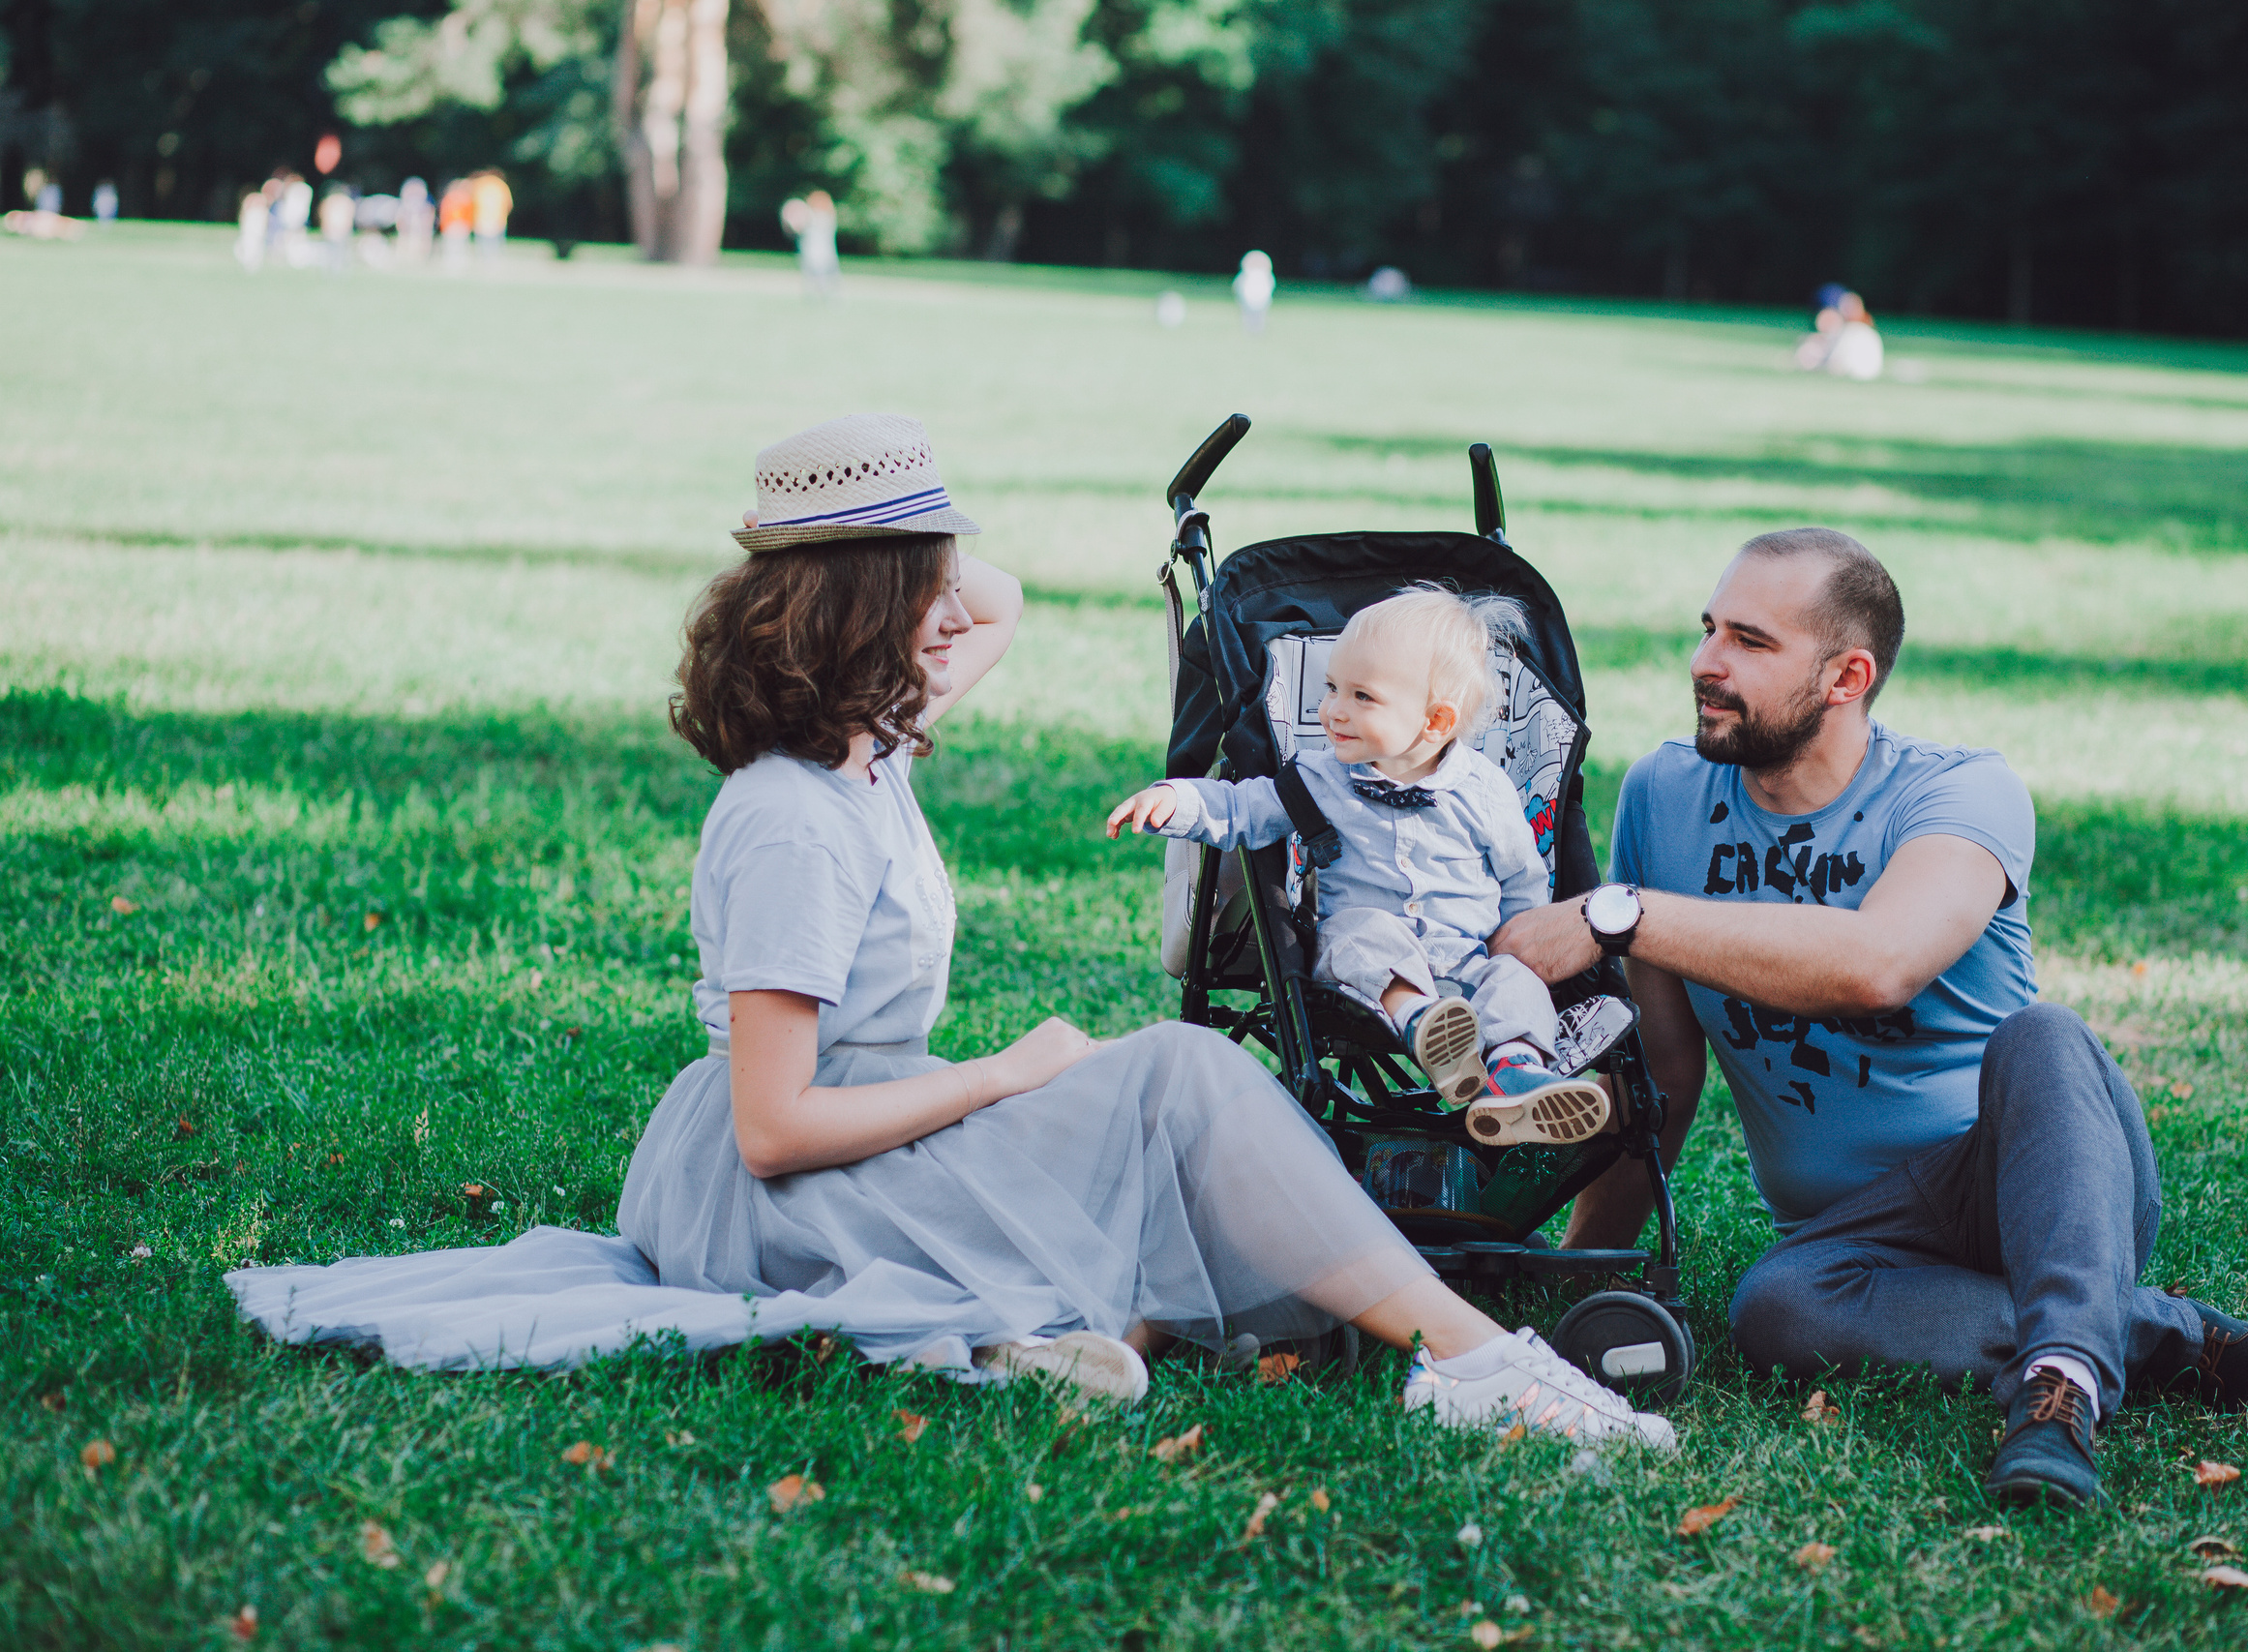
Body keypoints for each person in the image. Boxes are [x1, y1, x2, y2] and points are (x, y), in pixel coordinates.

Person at [225, 413, 1677, 1452]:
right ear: (866, 607)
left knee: (1174, 1121)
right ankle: (1477, 1357)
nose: (948, 604)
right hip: (781, 1181)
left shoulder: (873, 739)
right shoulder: (797, 815)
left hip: (866, 1128)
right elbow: (778, 1125)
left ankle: (1082, 1344)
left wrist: (892, 518)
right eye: (918, 578)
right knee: (1174, 1077)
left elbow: (1007, 600)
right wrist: (1005, 1070)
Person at [1489, 526, 2248, 1507]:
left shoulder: (1958, 790)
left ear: (1847, 676)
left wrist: (1619, 914)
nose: (1704, 662)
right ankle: (2157, 1332)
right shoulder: (1664, 796)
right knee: (1773, 1308)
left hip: (2031, 1184)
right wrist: (1579, 1264)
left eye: (1750, 642)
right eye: (1708, 628)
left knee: (2043, 1036)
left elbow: (1877, 967)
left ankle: (2057, 1398)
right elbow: (1667, 1074)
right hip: (1854, 1244)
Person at [1107, 585, 1610, 1147]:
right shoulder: (1319, 778)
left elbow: (1523, 879)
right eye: (1330, 688)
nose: (1333, 711)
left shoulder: (1485, 791)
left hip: (1470, 961)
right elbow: (1244, 807)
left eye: (1361, 697)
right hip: (1367, 975)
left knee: (1516, 983)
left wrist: (1522, 947)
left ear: (1436, 721)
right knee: (1363, 933)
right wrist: (1176, 800)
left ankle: (1516, 1074)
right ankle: (1425, 1024)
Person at [781, 191, 839, 295]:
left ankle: (822, 294)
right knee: (824, 277)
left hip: (816, 253)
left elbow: (799, 226)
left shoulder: (817, 218)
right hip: (821, 253)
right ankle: (825, 294)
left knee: (819, 277)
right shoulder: (826, 217)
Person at [470, 169, 512, 267]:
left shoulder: (480, 184)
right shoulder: (501, 186)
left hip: (481, 217)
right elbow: (509, 204)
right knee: (495, 242)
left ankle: (483, 261)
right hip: (498, 218)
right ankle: (493, 261)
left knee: (482, 242)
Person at [437, 176, 475, 271]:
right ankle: (451, 262)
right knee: (452, 245)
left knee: (459, 245)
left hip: (460, 224)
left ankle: (458, 262)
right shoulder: (451, 198)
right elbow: (445, 212)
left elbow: (469, 213)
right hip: (452, 224)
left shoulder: (465, 199)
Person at [1233, 249, 1275, 333]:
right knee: (1251, 315)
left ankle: (1256, 328)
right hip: (1250, 298)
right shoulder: (1247, 275)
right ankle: (1253, 328)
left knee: (1257, 315)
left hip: (1259, 298)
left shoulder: (1264, 276)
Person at [396, 177, 434, 264]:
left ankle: (420, 256)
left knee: (421, 238)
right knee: (405, 238)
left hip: (419, 222)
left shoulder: (426, 201)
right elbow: (402, 213)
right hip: (408, 223)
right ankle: (405, 255)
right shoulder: (406, 203)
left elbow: (429, 211)